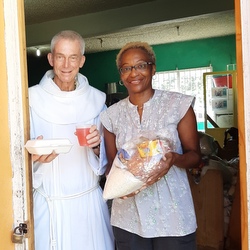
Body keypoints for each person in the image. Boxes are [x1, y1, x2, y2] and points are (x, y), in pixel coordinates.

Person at [100, 42, 202, 250]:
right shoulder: (111, 116)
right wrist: (117, 183)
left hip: (172, 215)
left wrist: (174, 158)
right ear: (121, 75)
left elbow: (195, 156)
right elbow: (112, 166)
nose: (133, 73)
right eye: (126, 68)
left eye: (140, 65)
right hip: (128, 216)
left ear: (153, 68)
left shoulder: (178, 105)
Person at [28, 30, 114, 250]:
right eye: (60, 56)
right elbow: (15, 155)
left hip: (88, 206)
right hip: (48, 205)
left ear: (82, 61)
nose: (66, 64)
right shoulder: (31, 99)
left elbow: (108, 157)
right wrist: (34, 159)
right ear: (50, 59)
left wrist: (97, 147)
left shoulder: (96, 100)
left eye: (73, 57)